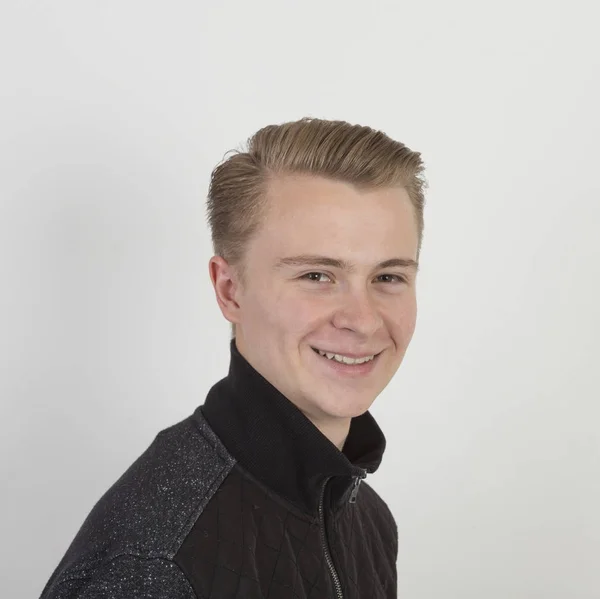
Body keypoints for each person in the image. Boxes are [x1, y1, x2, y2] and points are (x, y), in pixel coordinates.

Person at [40, 117, 427, 599]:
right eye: (316, 276)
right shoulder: (153, 563)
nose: (364, 321)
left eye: (388, 277)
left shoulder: (367, 517)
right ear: (230, 290)